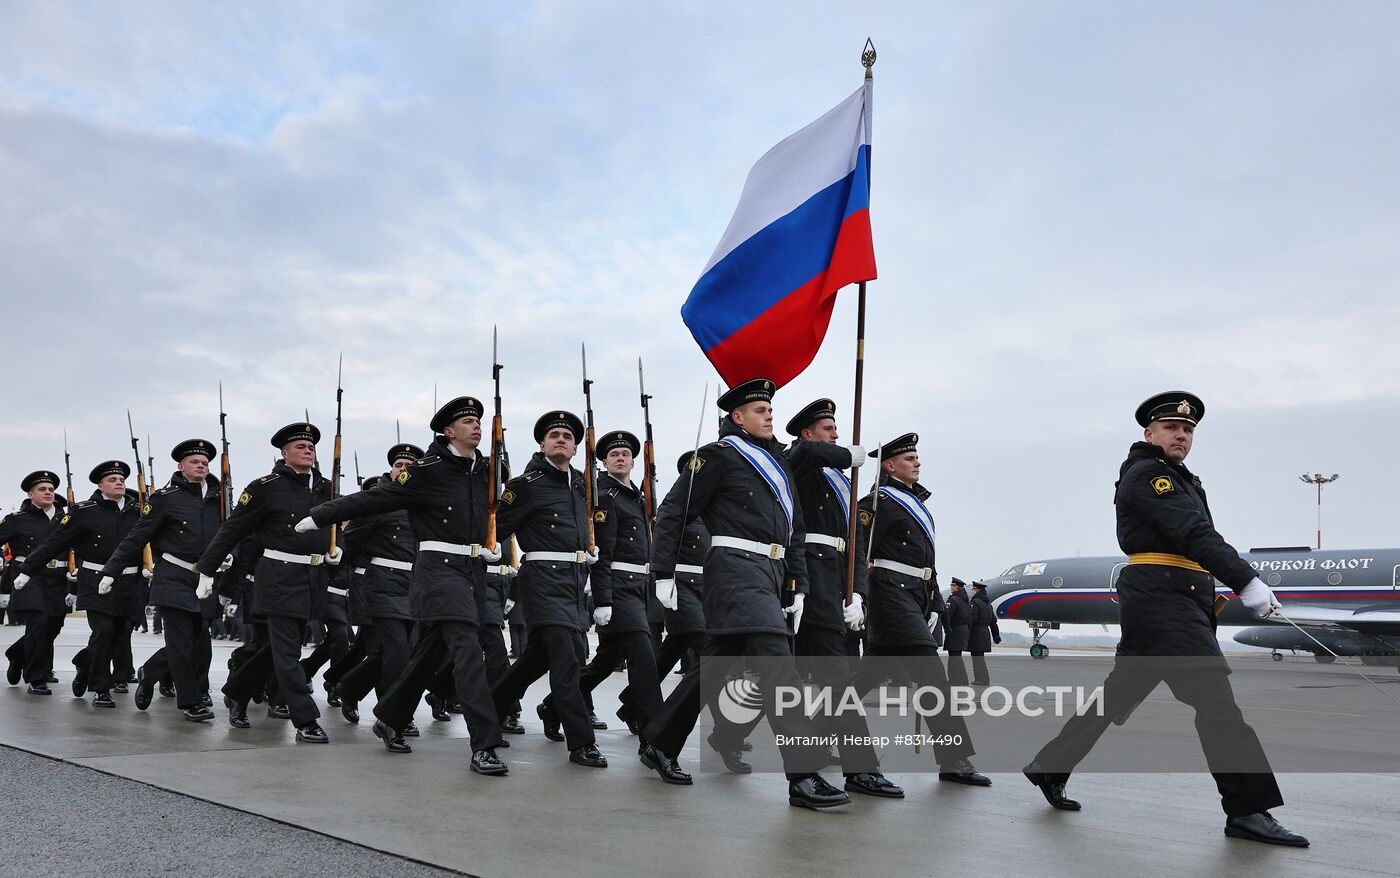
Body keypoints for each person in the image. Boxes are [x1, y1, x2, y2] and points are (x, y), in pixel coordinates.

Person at [1023, 392, 1308, 847]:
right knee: (1219, 709)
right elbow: (1195, 534)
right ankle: (1247, 809)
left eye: (1189, 429)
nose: (1182, 435)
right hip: (1164, 607)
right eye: (1172, 427)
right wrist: (1247, 582)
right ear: (1148, 433)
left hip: (1173, 603)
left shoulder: (1180, 478)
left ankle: (1048, 768)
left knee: (1113, 700)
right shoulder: (1149, 476)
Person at [643, 378, 849, 809]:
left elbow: (795, 530)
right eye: (760, 410)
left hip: (770, 577)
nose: (769, 415)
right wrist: (663, 572)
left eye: (770, 409)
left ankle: (659, 741)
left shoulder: (778, 466)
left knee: (714, 668)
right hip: (734, 573)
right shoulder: (719, 457)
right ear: (737, 418)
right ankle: (803, 776)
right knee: (779, 670)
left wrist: (796, 586)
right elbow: (674, 512)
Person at [300, 400, 508, 775]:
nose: (476, 426)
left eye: (479, 421)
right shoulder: (427, 471)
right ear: (449, 432)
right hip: (438, 572)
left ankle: (391, 716)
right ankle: (485, 745)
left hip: (473, 572)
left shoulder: (485, 472)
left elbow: (502, 510)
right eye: (467, 421)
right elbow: (375, 498)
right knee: (466, 650)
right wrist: (320, 516)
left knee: (430, 653)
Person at [851, 433, 989, 788]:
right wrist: (857, 596)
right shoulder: (877, 502)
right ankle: (953, 759)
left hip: (913, 595)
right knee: (933, 678)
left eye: (917, 457)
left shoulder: (916, 503)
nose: (917, 462)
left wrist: (933, 602)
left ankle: (817, 726)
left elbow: (926, 560)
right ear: (889, 466)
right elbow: (858, 552)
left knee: (865, 677)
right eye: (909, 458)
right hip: (889, 594)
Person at [783, 397, 901, 798]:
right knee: (831, 680)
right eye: (828, 429)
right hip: (810, 581)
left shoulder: (843, 482)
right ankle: (860, 768)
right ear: (808, 433)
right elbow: (802, 453)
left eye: (837, 429)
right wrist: (845, 453)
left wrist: (858, 596)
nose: (836, 435)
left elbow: (857, 543)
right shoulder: (802, 462)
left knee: (836, 682)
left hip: (836, 584)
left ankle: (856, 766)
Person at [196, 424, 335, 743]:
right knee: (288, 654)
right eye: (299, 445)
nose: (308, 449)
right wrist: (207, 570)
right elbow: (232, 529)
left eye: (311, 445)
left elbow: (335, 525)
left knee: (277, 650)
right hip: (279, 579)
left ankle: (236, 691)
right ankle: (305, 720)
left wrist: (335, 549)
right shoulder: (265, 487)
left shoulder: (326, 487)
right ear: (283, 453)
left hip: (312, 579)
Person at [489, 411, 607, 769]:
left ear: (575, 447)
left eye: (568, 436)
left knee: (533, 661)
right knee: (568, 655)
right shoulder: (526, 484)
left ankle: (490, 711)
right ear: (542, 444)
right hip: (541, 579)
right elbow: (497, 525)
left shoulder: (584, 485)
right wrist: (492, 548)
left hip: (573, 581)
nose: (561, 439)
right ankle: (581, 741)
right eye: (554, 434)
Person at [542, 430, 663, 748]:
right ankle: (656, 735)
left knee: (606, 662)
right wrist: (604, 600)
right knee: (643, 656)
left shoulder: (637, 496)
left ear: (634, 462)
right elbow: (603, 555)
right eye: (613, 455)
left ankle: (554, 705)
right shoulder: (604, 498)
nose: (620, 457)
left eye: (625, 454)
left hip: (639, 588)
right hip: (618, 589)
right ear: (605, 462)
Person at [103, 440, 223, 723]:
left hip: (205, 578)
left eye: (205, 462)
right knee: (180, 643)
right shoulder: (165, 498)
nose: (201, 465)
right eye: (194, 461)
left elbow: (234, 533)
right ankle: (190, 702)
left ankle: (149, 673)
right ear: (181, 467)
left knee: (199, 643)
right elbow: (137, 537)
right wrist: (112, 569)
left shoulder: (220, 498)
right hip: (173, 576)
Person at [22, 460, 141, 708]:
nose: (119, 482)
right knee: (103, 632)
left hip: (129, 581)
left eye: (121, 479)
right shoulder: (84, 511)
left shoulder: (138, 511)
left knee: (121, 634)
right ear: (100, 485)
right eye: (112, 479)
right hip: (95, 581)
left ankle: (85, 664)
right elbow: (54, 543)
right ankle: (100, 688)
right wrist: (27, 569)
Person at [3, 470, 68, 694]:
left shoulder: (66, 520)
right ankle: (35, 677)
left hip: (57, 580)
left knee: (53, 625)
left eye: (51, 489)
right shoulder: (17, 520)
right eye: (42, 489)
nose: (48, 492)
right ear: (30, 494)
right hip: (27, 578)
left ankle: (18, 653)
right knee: (39, 623)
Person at [967, 581, 1000, 685]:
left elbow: (972, 619)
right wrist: (996, 636)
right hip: (985, 633)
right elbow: (993, 622)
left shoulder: (975, 603)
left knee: (977, 659)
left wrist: (966, 632)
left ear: (977, 590)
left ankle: (980, 679)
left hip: (976, 634)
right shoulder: (988, 605)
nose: (971, 591)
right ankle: (984, 679)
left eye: (973, 589)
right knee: (980, 658)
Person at [943, 578, 972, 687]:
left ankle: (955, 680)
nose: (951, 587)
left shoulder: (953, 600)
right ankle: (962, 680)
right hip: (964, 630)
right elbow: (970, 618)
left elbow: (947, 616)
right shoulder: (966, 601)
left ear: (957, 587)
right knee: (957, 655)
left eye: (952, 585)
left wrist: (947, 629)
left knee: (953, 657)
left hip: (955, 630)